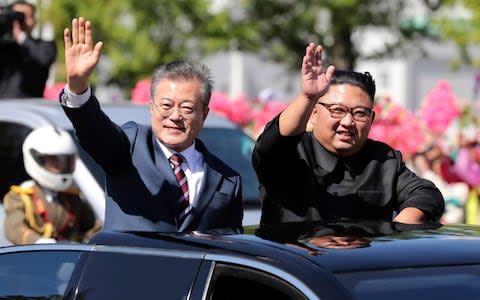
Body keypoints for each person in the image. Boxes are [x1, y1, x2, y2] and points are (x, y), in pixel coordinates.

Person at [58, 17, 243, 233]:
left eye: (187, 108)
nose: (175, 116)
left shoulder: (227, 179)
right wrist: (78, 86)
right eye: (166, 105)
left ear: (204, 114)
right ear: (152, 107)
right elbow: (93, 128)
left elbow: (232, 245)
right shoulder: (129, 146)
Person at [252, 42, 445, 225]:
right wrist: (307, 97)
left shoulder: (383, 160)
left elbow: (426, 194)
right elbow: (272, 144)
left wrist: (400, 227)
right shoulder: (292, 153)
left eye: (360, 113)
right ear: (314, 113)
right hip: (297, 259)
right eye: (337, 110)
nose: (348, 122)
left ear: (371, 120)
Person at [3, 126, 102, 244]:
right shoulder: (21, 197)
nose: (61, 166)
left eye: (66, 161)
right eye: (54, 160)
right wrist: (38, 242)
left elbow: (93, 228)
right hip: (33, 258)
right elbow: (14, 228)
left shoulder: (72, 197)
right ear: (37, 159)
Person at [0, 0, 57, 98]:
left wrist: (22, 38)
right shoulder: (4, 46)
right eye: (16, 16)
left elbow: (45, 57)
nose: (21, 21)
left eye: (25, 17)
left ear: (34, 21)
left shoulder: (44, 45)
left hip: (29, 108)